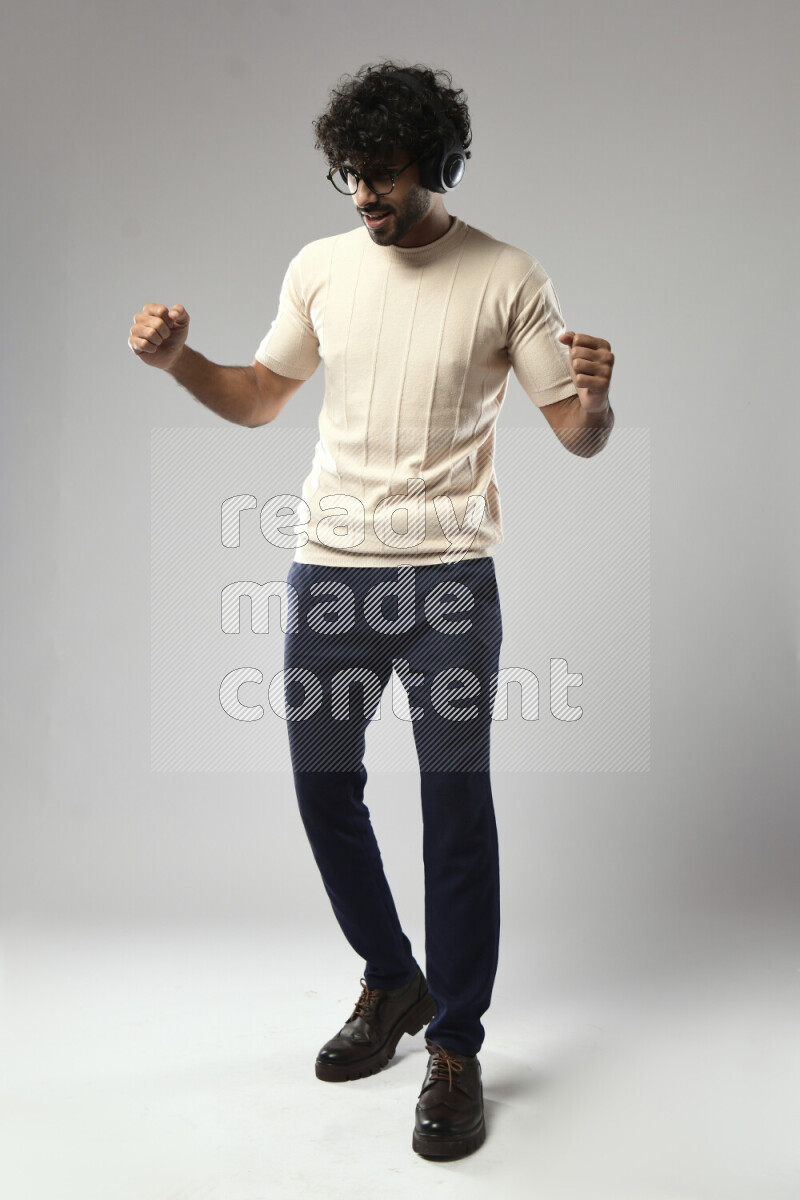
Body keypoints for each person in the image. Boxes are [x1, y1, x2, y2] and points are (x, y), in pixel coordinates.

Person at [128, 59, 615, 1160]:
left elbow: (573, 436)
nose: (363, 196)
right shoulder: (319, 268)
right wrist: (179, 365)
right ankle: (391, 979)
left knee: (453, 807)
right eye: (348, 175)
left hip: (447, 583)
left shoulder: (506, 276)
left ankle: (453, 1039)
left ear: (437, 167)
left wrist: (594, 399)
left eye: (384, 176)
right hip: (328, 573)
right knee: (320, 787)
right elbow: (258, 398)